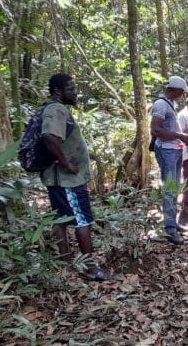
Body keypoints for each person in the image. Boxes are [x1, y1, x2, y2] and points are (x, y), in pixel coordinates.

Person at [41, 73, 109, 281]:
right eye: (71, 89)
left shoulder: (53, 109)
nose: (75, 93)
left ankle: (64, 265)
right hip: (67, 180)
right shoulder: (57, 109)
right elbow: (49, 137)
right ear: (57, 92)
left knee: (61, 219)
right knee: (82, 220)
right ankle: (90, 268)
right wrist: (66, 163)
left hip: (58, 179)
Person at [151, 76, 188, 245]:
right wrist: (179, 135)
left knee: (175, 187)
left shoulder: (170, 103)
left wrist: (180, 138)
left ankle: (172, 223)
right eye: (182, 91)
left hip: (175, 150)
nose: (182, 95)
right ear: (174, 90)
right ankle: (169, 230)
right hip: (167, 151)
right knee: (169, 189)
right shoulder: (160, 104)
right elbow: (155, 130)